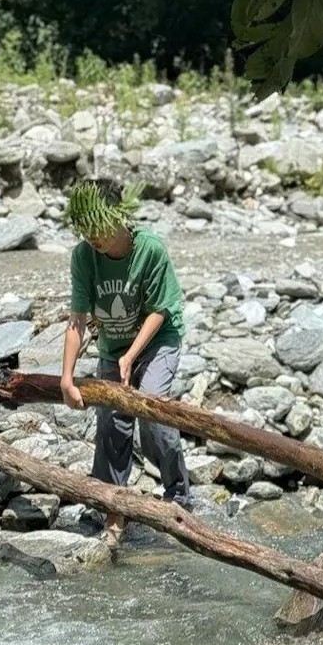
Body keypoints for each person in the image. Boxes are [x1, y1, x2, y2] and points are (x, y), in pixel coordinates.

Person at [60, 177, 190, 544]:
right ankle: (111, 508)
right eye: (85, 230)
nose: (93, 237)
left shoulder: (150, 250)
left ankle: (178, 495)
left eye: (98, 227)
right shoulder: (83, 256)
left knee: (152, 412)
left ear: (118, 216)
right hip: (113, 347)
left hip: (158, 341)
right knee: (110, 424)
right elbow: (77, 319)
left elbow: (160, 310)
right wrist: (66, 378)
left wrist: (132, 355)